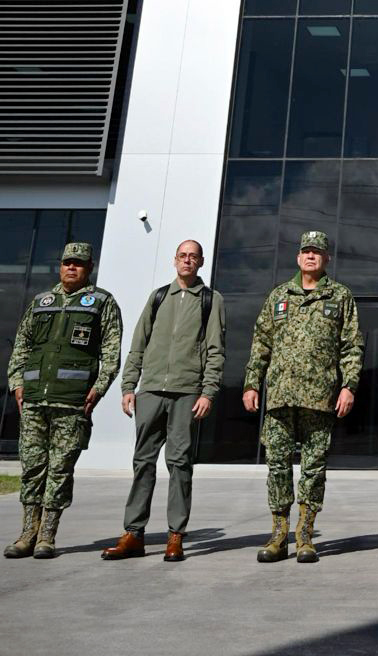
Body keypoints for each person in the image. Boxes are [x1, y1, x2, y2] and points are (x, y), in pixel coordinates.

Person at [101, 238, 225, 563]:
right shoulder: (158, 297)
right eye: (182, 256)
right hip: (151, 390)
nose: (187, 261)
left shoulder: (211, 300)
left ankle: (175, 537)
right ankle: (134, 534)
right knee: (142, 462)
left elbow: (215, 351)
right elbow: (137, 344)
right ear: (175, 260)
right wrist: (129, 386)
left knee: (180, 464)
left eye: (193, 257)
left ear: (200, 262)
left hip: (186, 393)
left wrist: (208, 392)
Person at [242, 230, 362, 564]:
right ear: (298, 257)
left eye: (318, 252)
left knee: (313, 468)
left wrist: (348, 386)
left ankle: (305, 536)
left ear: (326, 259)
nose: (311, 256)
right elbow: (261, 343)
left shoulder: (340, 296)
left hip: (319, 398)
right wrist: (252, 384)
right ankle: (279, 535)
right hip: (279, 397)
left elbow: (352, 346)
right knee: (277, 466)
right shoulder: (279, 295)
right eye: (306, 251)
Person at [4, 241, 122, 560]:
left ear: (89, 268)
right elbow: (22, 345)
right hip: (34, 401)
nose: (72, 267)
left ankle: (47, 535)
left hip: (72, 403)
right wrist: (16, 383)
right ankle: (27, 532)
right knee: (32, 468)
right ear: (60, 265)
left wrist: (98, 388)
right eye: (67, 262)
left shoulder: (101, 302)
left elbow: (111, 352)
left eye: (79, 263)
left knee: (59, 469)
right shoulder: (42, 301)